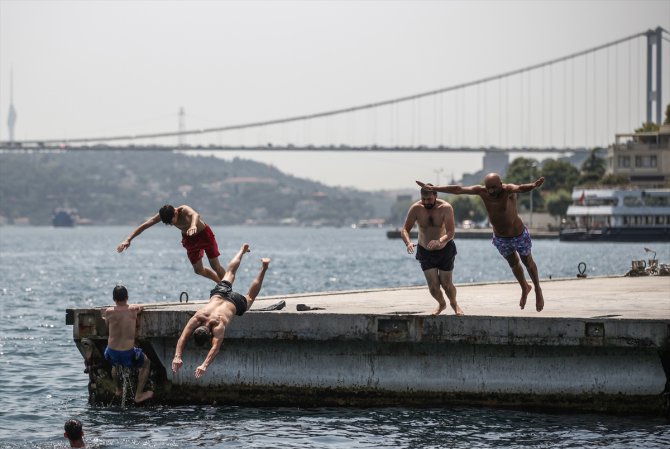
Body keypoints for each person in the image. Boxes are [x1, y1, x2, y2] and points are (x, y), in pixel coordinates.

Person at [416, 173, 545, 312]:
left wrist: (533, 185)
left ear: (501, 184)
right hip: (501, 237)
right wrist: (435, 188)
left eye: (494, 187)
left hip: (518, 234)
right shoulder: (482, 191)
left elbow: (520, 188)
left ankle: (537, 289)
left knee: (527, 261)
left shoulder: (508, 190)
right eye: (488, 188)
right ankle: (525, 287)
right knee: (513, 263)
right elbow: (458, 189)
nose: (491, 191)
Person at [172, 243, 270, 378]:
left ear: (210, 335)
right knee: (230, 273)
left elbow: (215, 348)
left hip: (234, 302)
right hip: (219, 293)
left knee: (250, 297)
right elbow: (183, 337)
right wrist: (177, 356)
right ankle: (242, 250)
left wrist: (204, 365)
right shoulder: (197, 317)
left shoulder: (218, 326)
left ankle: (264, 268)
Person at [117, 204, 226, 283]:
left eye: (171, 221)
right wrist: (128, 239)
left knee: (215, 266)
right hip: (189, 239)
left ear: (175, 212)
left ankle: (228, 288)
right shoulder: (164, 215)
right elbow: (145, 225)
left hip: (204, 235)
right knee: (198, 270)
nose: (170, 224)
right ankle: (220, 284)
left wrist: (193, 225)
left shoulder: (183, 209)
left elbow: (195, 215)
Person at [401, 183, 463, 316]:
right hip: (425, 251)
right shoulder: (416, 208)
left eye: (429, 199)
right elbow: (405, 229)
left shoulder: (445, 208)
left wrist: (439, 241)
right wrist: (408, 243)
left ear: (435, 195)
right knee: (433, 287)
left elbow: (451, 232)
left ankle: (454, 303)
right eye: (423, 199)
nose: (426, 202)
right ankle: (442, 304)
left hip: (444, 249)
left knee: (446, 284)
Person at [102, 285, 154, 403]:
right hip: (128, 353)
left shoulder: (108, 312)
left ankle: (118, 389)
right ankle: (138, 395)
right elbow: (141, 307)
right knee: (146, 363)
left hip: (111, 351)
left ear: (113, 299)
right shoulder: (133, 310)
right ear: (127, 297)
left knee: (115, 365)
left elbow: (107, 328)